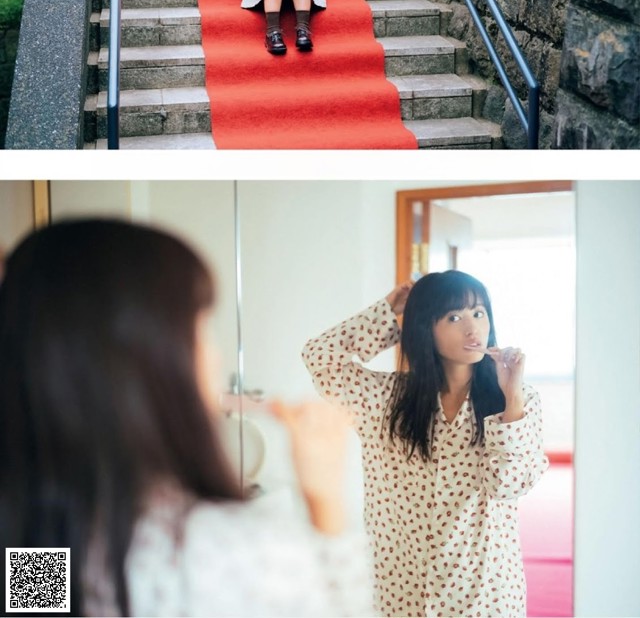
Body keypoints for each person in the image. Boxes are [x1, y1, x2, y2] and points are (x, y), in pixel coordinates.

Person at [0, 219, 371, 618]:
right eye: (201, 329)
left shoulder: (36, 532)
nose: (215, 355)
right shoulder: (231, 550)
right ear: (146, 358)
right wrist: (324, 500)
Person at [302, 270, 549, 618]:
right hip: (402, 591)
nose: (473, 328)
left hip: (483, 594)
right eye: (454, 317)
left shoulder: (517, 400)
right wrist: (388, 310)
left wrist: (512, 400)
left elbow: (508, 485)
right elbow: (320, 358)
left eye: (479, 313)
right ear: (424, 328)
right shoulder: (384, 399)